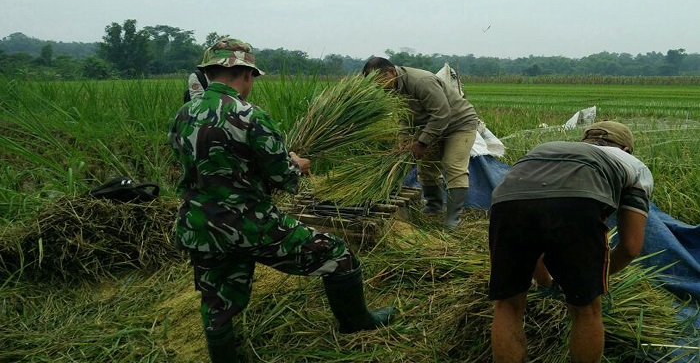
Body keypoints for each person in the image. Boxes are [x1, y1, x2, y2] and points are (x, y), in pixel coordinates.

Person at [169, 38, 395, 362]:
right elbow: (283, 178)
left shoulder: (183, 114)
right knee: (338, 254)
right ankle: (357, 324)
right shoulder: (251, 116)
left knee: (217, 302)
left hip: (200, 226)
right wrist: (297, 165)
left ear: (210, 72)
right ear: (246, 75)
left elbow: (189, 161)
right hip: (249, 224)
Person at [487, 121, 653, 363]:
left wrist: (546, 284)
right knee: (586, 310)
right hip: (578, 202)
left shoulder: (548, 149)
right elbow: (630, 247)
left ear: (583, 141)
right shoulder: (634, 165)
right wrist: (595, 281)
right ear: (626, 149)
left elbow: (535, 235)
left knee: (507, 306)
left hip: (508, 199)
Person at [362, 57, 480, 229]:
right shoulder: (392, 88)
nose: (377, 87)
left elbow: (442, 114)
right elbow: (404, 116)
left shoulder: (421, 81)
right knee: (426, 168)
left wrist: (422, 142)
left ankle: (453, 219)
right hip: (431, 126)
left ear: (391, 73)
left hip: (458, 124)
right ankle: (434, 207)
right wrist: (404, 139)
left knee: (453, 166)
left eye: (378, 81)